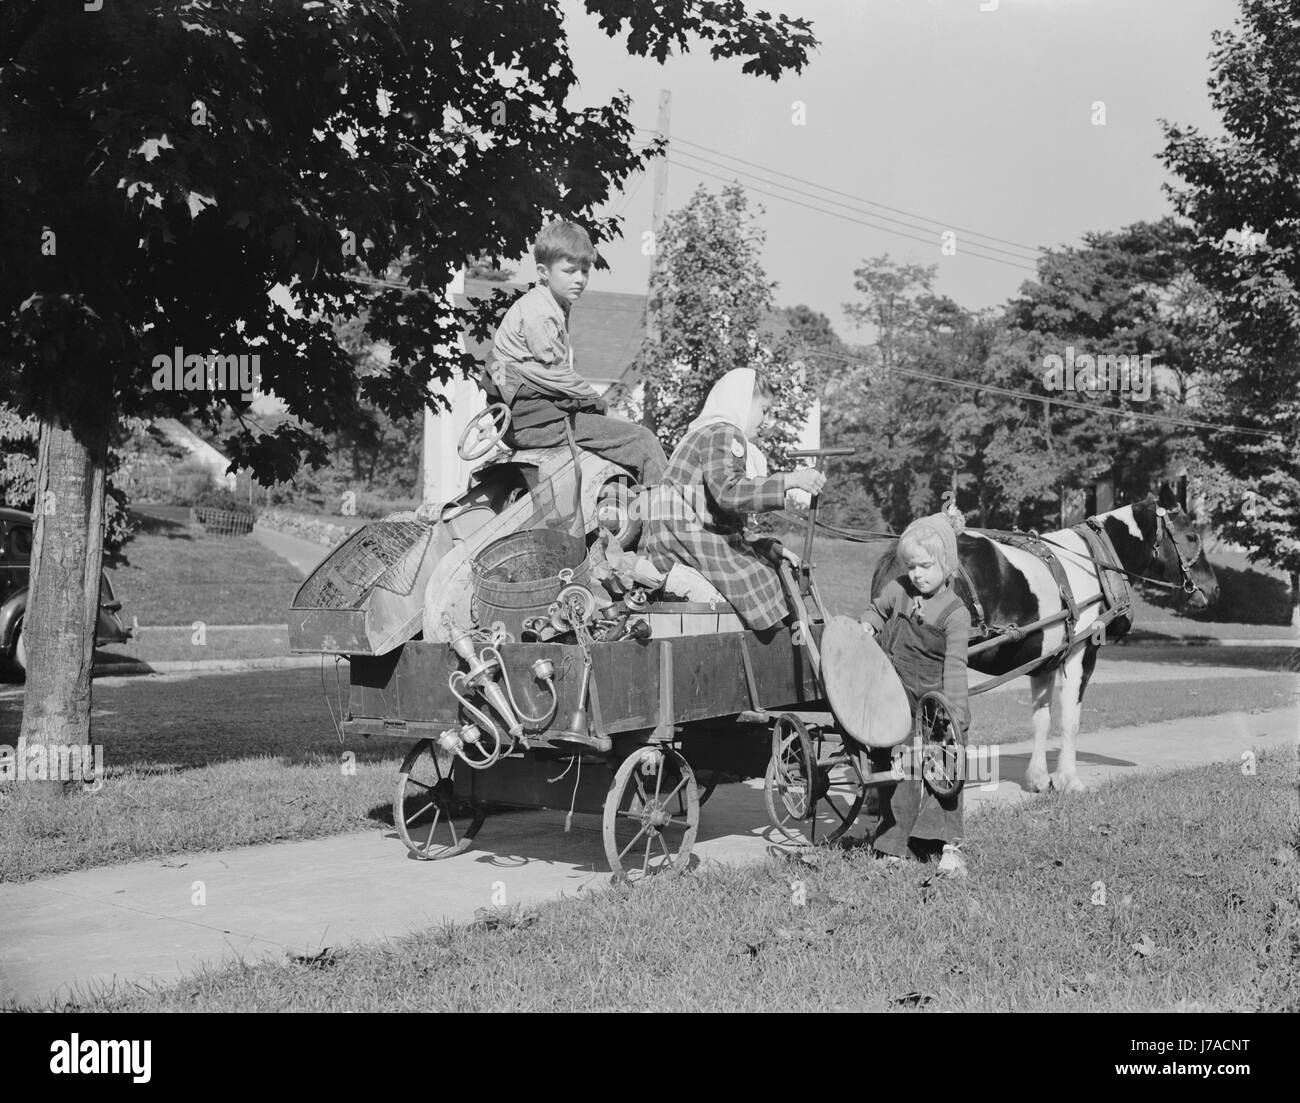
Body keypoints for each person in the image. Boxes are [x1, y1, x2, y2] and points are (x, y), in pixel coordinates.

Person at [640, 368, 825, 631]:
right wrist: (789, 480)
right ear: (742, 401)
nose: (766, 420)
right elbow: (730, 493)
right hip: (686, 542)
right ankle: (778, 652)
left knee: (767, 565)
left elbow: (723, 522)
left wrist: (771, 547)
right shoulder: (725, 433)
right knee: (768, 581)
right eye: (764, 409)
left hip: (675, 542)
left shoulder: (699, 435)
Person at [487, 220, 667, 486]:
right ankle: (667, 518)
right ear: (543, 271)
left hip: (527, 420)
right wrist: (602, 406)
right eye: (570, 271)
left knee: (616, 437)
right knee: (641, 440)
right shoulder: (542, 315)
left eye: (585, 271)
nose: (580, 279)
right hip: (535, 423)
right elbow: (558, 379)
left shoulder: (547, 304)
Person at [859, 512, 971, 876]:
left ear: (947, 564)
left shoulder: (956, 614)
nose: (917, 574)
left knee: (944, 767)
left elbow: (955, 667)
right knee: (899, 764)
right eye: (911, 567)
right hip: (900, 691)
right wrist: (867, 624)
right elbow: (878, 609)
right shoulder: (900, 590)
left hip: (938, 699)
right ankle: (894, 841)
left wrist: (953, 714)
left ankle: (944, 843)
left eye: (925, 566)